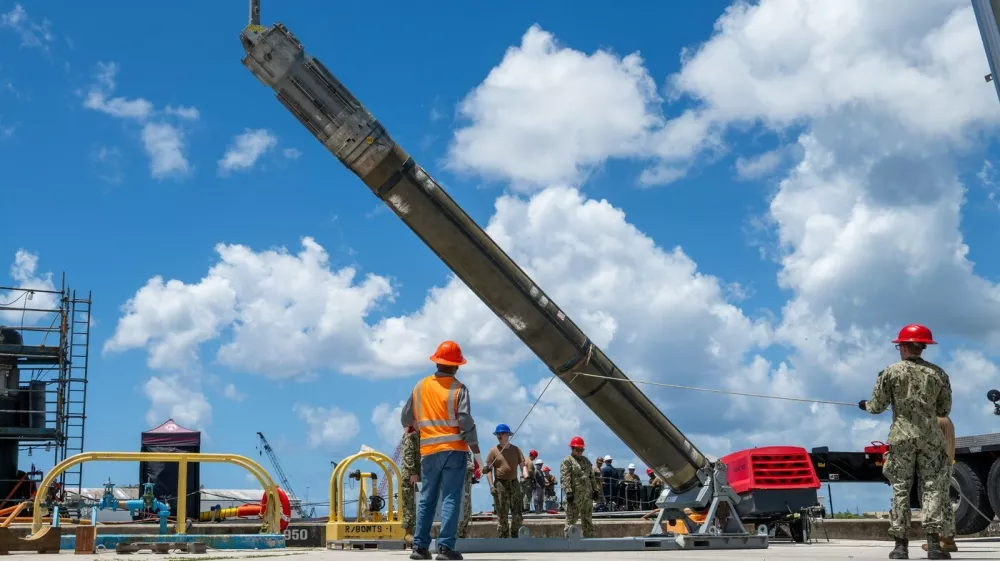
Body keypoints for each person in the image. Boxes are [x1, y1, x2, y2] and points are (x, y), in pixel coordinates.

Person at [859, 324, 952, 560]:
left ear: (903, 347)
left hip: (901, 437)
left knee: (900, 489)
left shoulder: (890, 372)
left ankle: (900, 546)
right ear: (923, 347)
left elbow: (876, 406)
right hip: (931, 438)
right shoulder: (938, 374)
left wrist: (864, 405)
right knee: (932, 489)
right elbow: (944, 409)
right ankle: (934, 545)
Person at [400, 340, 483, 561]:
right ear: (456, 366)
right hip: (454, 451)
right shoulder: (459, 389)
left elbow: (406, 418)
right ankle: (445, 548)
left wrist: (419, 426)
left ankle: (419, 547)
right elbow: (464, 421)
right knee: (450, 498)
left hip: (428, 452)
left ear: (437, 362)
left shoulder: (420, 387)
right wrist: (476, 451)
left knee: (427, 499)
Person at [922, 416, 958, 555]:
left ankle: (942, 540)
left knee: (936, 501)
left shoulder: (935, 419)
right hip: (946, 462)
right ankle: (948, 538)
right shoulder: (946, 419)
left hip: (938, 464)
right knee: (944, 501)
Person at [484, 424, 527, 538]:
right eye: (498, 434)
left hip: (514, 483)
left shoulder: (516, 450)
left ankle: (515, 537)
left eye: (502, 434)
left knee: (517, 514)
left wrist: (525, 475)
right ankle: (503, 538)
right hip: (500, 484)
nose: (499, 436)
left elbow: (522, 465)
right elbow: (488, 470)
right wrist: (491, 486)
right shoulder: (493, 451)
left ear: (508, 435)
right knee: (502, 514)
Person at [560, 436, 600, 537]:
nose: (580, 452)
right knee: (571, 520)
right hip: (574, 496)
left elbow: (591, 476)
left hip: (587, 496)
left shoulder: (586, 461)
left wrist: (595, 490)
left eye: (582, 450)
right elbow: (565, 477)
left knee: (587, 520)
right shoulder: (567, 461)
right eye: (578, 450)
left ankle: (589, 540)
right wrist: (568, 491)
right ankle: (568, 541)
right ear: (572, 448)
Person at [400, 426, 420, 544]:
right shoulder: (411, 435)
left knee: (418, 504)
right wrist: (412, 473)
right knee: (409, 504)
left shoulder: (420, 435)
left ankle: (416, 533)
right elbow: (408, 455)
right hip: (411, 476)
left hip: (419, 474)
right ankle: (408, 533)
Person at [456, 452, 480, 539]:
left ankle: (462, 535)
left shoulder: (467, 453)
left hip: (466, 489)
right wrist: (470, 466)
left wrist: (472, 478)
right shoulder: (457, 453)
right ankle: (457, 535)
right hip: (460, 491)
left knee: (467, 513)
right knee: (462, 512)